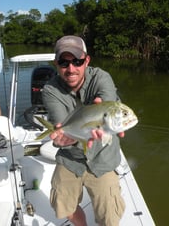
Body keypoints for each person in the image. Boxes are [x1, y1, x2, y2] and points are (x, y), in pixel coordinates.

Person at [42, 35, 125, 226]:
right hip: (71, 157)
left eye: (77, 62)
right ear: (56, 63)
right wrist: (61, 139)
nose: (71, 69)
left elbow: (106, 101)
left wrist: (102, 110)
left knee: (110, 215)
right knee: (63, 205)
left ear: (86, 60)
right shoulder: (50, 89)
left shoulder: (101, 77)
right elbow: (61, 125)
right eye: (64, 62)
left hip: (103, 157)